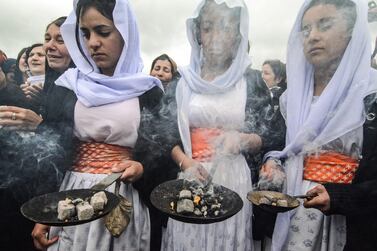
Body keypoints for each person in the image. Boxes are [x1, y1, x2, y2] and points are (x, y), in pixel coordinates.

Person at [31, 0, 163, 250]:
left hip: (121, 197)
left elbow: (160, 151)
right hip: (70, 195)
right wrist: (44, 211)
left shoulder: (147, 92)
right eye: (85, 33)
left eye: (103, 32)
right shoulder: (68, 87)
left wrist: (142, 166)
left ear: (126, 34)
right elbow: (51, 153)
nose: (92, 42)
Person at [158, 0, 283, 250]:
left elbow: (271, 134)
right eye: (208, 27)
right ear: (197, 34)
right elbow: (165, 134)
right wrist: (186, 162)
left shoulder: (251, 80)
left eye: (226, 28)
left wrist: (245, 139)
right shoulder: (183, 83)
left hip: (233, 177)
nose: (216, 36)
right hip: (190, 174)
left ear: (238, 36)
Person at [260, 0, 377, 250]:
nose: (312, 36)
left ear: (350, 32)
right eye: (306, 29)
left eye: (325, 25)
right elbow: (279, 145)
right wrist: (273, 162)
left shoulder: (372, 94)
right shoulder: (290, 99)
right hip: (292, 211)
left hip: (349, 223)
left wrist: (340, 197)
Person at [0, 16, 75, 251]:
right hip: (28, 191)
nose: (49, 46)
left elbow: (73, 142)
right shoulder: (51, 89)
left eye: (60, 40)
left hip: (67, 193)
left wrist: (38, 125)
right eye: (47, 38)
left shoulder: (82, 90)